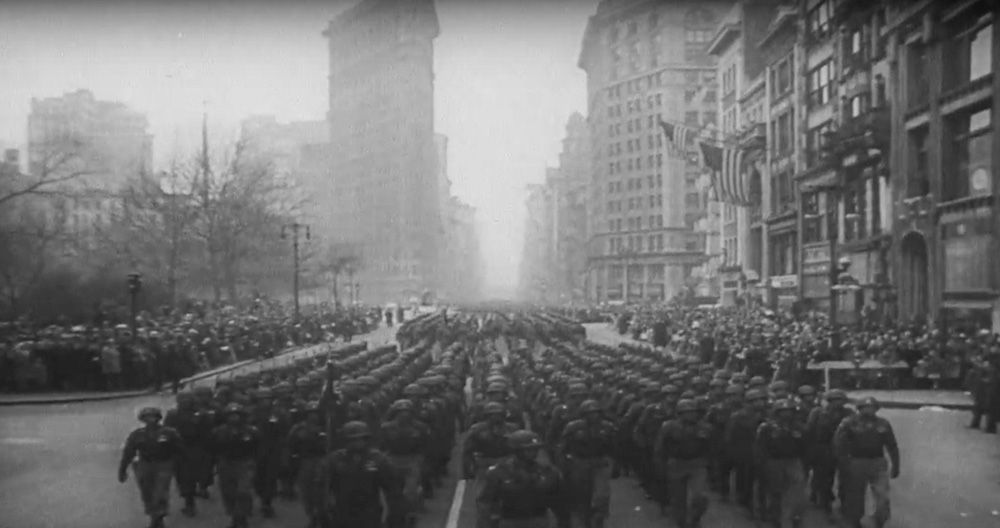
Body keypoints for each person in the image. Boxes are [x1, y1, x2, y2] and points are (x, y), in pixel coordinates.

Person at [479, 430, 569, 528]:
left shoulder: (549, 472)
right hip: (510, 521)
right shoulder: (499, 472)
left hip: (539, 520)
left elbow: (560, 504)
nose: (533, 453)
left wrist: (564, 523)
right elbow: (485, 503)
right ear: (517, 450)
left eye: (535, 449)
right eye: (528, 449)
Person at [319, 421, 402, 528]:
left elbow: (393, 489)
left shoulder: (378, 459)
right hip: (342, 512)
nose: (357, 442)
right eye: (352, 439)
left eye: (360, 439)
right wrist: (322, 512)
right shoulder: (334, 460)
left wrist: (395, 514)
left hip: (370, 512)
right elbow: (322, 488)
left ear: (366, 439)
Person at [834, 397, 900, 528]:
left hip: (878, 462)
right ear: (859, 409)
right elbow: (838, 444)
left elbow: (892, 445)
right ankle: (855, 521)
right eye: (866, 407)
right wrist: (843, 464)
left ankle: (879, 520)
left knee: (882, 497)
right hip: (856, 462)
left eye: (872, 407)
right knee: (855, 496)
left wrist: (896, 465)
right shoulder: (849, 423)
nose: (869, 410)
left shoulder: (883, 423)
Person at [556, 399, 618, 528]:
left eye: (595, 412)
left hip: (599, 463)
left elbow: (615, 447)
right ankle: (584, 520)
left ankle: (599, 519)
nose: (593, 416)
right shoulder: (573, 427)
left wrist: (615, 464)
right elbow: (562, 448)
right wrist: (564, 467)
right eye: (589, 413)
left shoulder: (607, 427)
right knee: (581, 497)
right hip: (579, 463)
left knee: (602, 496)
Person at [118, 406, 182, 528]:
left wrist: (180, 467)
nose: (150, 420)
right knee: (146, 491)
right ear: (142, 419)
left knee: (161, 490)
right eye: (147, 417)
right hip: (144, 464)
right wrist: (122, 470)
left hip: (164, 464)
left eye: (153, 417)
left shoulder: (169, 433)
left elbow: (179, 450)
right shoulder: (137, 435)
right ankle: (153, 513)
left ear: (158, 418)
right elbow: (128, 452)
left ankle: (159, 516)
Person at [656, 399, 711, 528]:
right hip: (676, 464)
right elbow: (660, 448)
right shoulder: (669, 427)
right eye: (687, 412)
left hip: (697, 464)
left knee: (700, 496)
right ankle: (682, 523)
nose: (691, 415)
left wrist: (708, 463)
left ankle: (695, 518)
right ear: (679, 414)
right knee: (678, 501)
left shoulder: (704, 427)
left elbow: (710, 447)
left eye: (693, 412)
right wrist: (661, 466)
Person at [755, 398, 807, 528]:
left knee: (798, 492)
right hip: (773, 462)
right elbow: (761, 447)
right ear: (777, 412)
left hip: (794, 461)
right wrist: (763, 464)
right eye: (783, 411)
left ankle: (795, 517)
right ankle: (774, 517)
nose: (787, 414)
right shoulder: (766, 427)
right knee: (775, 492)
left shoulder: (799, 427)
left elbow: (806, 445)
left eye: (789, 411)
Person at [804, 389, 854, 515]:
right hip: (823, 449)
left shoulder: (848, 413)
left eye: (840, 400)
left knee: (846, 479)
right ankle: (825, 505)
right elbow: (809, 431)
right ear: (829, 401)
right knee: (825, 478)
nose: (838, 403)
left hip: (843, 449)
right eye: (834, 400)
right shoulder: (818, 413)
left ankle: (845, 503)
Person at [211, 403, 260, 528]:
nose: (234, 418)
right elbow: (212, 449)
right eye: (231, 416)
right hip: (225, 464)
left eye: (237, 415)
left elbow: (258, 448)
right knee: (228, 492)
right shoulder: (218, 432)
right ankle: (234, 516)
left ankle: (242, 516)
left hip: (245, 463)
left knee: (243, 491)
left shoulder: (251, 431)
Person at [287, 402, 328, 528]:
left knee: (321, 491)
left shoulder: (326, 427)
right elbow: (291, 445)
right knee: (306, 492)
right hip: (304, 462)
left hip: (322, 461)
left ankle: (323, 515)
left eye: (315, 413)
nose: (313, 416)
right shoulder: (298, 429)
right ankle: (312, 516)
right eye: (311, 413)